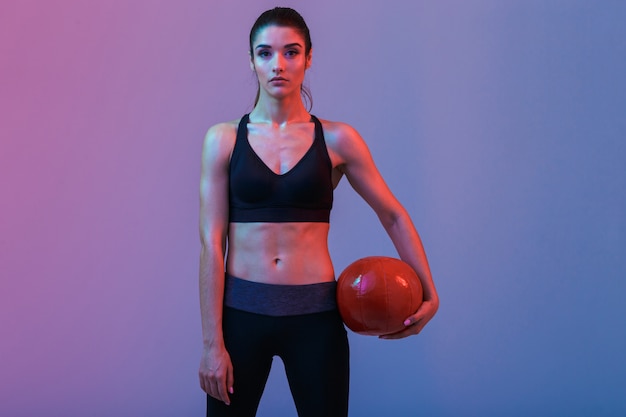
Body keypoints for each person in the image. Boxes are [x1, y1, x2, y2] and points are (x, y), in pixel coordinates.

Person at [198, 7, 439, 417]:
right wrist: (211, 344)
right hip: (241, 318)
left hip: (315, 318)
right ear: (251, 60)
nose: (278, 64)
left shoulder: (338, 139)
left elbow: (393, 216)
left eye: (291, 52)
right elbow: (211, 244)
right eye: (265, 53)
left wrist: (429, 294)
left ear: (309, 57)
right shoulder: (223, 140)